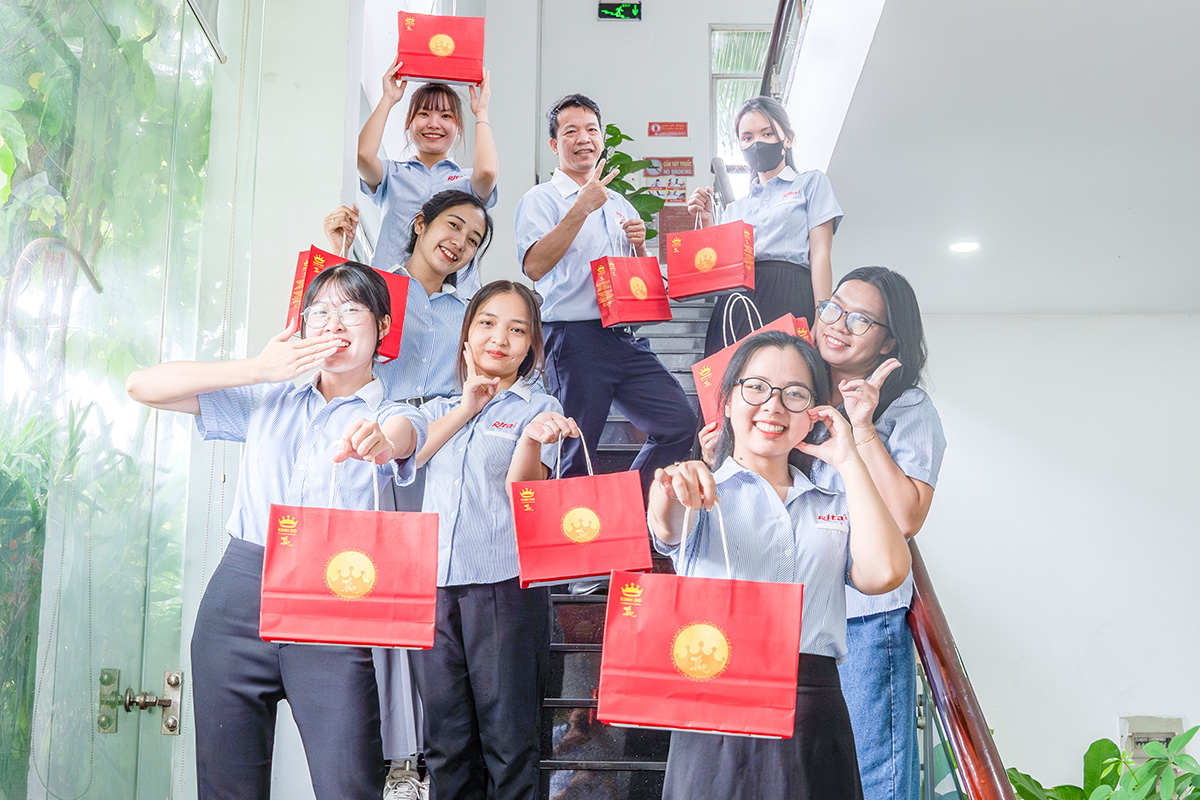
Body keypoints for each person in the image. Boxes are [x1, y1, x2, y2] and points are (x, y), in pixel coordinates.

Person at [125, 261, 427, 800]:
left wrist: (383, 440)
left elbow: (404, 437)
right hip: (240, 594)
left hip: (338, 597)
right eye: (320, 312)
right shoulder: (268, 398)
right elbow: (142, 385)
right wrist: (257, 368)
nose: (333, 321)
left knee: (348, 784)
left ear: (382, 326)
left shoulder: (397, 410)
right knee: (226, 785)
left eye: (352, 309)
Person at [649, 330, 910, 799]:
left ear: (813, 413)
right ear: (727, 401)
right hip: (717, 707)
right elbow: (665, 519)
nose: (773, 406)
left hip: (814, 713)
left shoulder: (833, 503)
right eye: (756, 388)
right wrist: (673, 481)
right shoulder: (700, 490)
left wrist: (851, 461)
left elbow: (886, 572)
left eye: (794, 394)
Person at [326, 189, 493, 799]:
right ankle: (381, 751)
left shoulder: (463, 312)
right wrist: (340, 252)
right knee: (365, 596)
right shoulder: (375, 286)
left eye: (474, 240)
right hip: (371, 449)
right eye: (453, 226)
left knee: (421, 606)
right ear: (420, 224)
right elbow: (326, 328)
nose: (460, 244)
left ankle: (416, 755)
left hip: (435, 454)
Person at [406, 280, 580, 800]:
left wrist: (531, 437)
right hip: (433, 589)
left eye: (516, 328)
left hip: (504, 588)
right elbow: (409, 460)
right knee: (445, 742)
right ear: (466, 336)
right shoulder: (436, 408)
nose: (499, 338)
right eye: (486, 323)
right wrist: (465, 406)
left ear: (531, 346)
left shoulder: (540, 406)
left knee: (509, 742)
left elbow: (522, 491)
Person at [514, 92, 696, 496]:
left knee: (679, 423)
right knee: (574, 452)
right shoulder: (540, 200)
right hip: (573, 339)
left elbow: (637, 284)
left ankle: (631, 510)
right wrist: (580, 208)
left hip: (625, 337)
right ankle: (571, 550)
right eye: (571, 131)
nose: (584, 138)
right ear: (554, 144)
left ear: (602, 139)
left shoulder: (619, 203)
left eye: (592, 129)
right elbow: (534, 267)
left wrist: (642, 249)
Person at [810, 267, 946, 800]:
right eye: (833, 308)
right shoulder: (800, 391)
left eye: (861, 319)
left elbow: (906, 516)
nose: (838, 324)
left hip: (867, 618)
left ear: (890, 339)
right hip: (804, 609)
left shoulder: (909, 409)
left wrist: (863, 426)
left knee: (875, 776)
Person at [687, 95, 842, 357]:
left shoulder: (811, 184)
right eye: (747, 138)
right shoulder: (735, 208)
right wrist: (706, 221)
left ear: (788, 139)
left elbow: (820, 253)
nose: (756, 143)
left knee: (789, 380)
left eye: (767, 133)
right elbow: (717, 271)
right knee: (735, 387)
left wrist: (822, 314)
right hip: (736, 303)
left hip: (790, 294)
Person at [357, 57, 497, 295]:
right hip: (392, 293)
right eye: (423, 114)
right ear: (408, 124)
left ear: (459, 128)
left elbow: (487, 172)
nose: (434, 123)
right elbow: (362, 157)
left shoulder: (466, 181)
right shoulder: (393, 174)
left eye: (446, 116)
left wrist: (481, 112)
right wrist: (388, 98)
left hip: (453, 298)